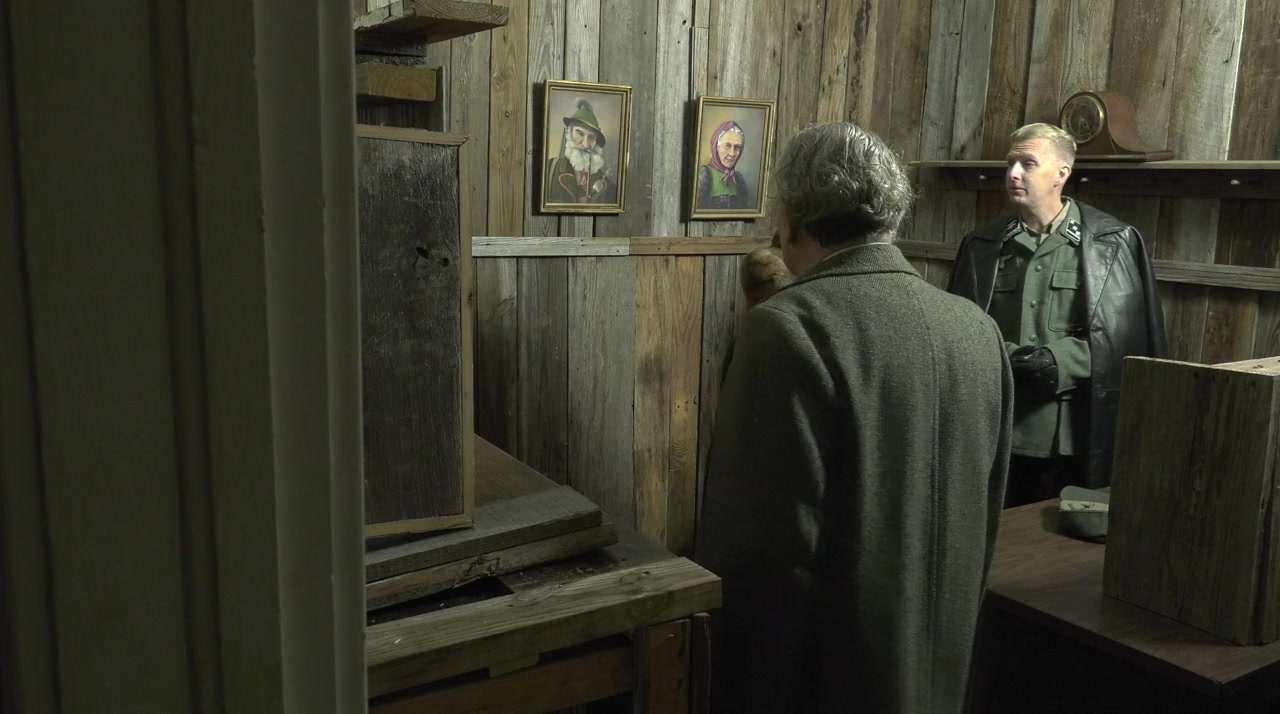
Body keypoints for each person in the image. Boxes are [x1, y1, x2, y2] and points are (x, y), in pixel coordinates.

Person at [695, 122, 1013, 713]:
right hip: (943, 676)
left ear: (792, 219)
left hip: (828, 681)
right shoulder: (978, 330)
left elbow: (760, 554)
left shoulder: (786, 328)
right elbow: (985, 516)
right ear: (891, 215)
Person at [947, 123, 1166, 506]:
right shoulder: (982, 245)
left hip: (1075, 435)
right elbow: (958, 328)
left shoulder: (1111, 243)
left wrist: (1060, 361)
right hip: (997, 430)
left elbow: (1127, 339)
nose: (1013, 174)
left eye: (1028, 163)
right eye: (1010, 163)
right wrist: (1008, 355)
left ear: (1061, 173)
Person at [545, 98, 616, 204]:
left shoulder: (607, 185)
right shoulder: (549, 169)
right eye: (580, 133)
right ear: (569, 134)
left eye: (591, 137)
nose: (585, 144)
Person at [695, 120, 750, 209]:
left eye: (737, 147)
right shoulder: (705, 174)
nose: (732, 153)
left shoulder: (739, 179)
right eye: (727, 146)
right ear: (716, 147)